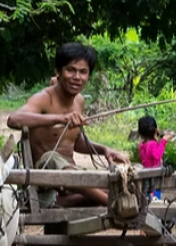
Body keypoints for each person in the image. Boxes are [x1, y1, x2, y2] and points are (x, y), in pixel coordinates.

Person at [7, 42, 128, 207]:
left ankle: (76, 198)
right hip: (45, 181)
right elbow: (14, 119)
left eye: (83, 72)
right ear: (58, 71)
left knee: (125, 182)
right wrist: (60, 118)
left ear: (89, 76)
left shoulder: (79, 101)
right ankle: (109, 202)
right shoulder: (44, 98)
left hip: (72, 179)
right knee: (53, 158)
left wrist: (104, 149)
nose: (77, 77)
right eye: (71, 70)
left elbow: (75, 141)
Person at [137, 115, 172, 201]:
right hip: (154, 174)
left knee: (148, 193)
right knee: (155, 194)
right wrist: (163, 141)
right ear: (155, 129)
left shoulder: (141, 145)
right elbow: (157, 155)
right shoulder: (152, 144)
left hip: (146, 174)